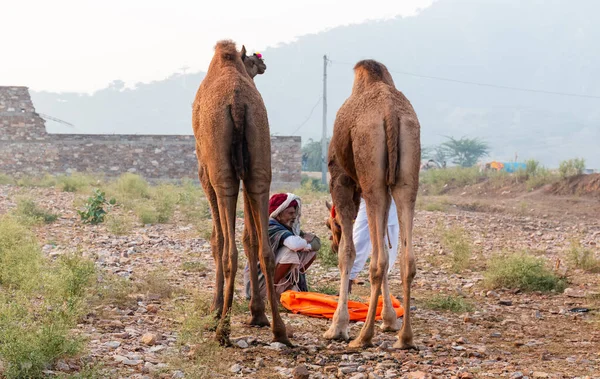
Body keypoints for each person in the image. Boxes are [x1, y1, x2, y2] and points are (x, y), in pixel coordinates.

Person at [244, 193, 321, 300]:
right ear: (278, 214)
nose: (294, 216)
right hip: (259, 284)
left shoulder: (287, 227)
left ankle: (289, 284)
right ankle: (270, 292)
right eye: (290, 213)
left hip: (277, 280)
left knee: (311, 253)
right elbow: (294, 244)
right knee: (290, 253)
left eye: (295, 213)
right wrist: (305, 244)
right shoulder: (270, 226)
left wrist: (305, 245)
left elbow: (316, 243)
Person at [348, 197, 399, 293]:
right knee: (358, 241)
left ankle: (380, 284)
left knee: (388, 246)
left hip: (390, 202)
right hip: (367, 199)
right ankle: (348, 281)